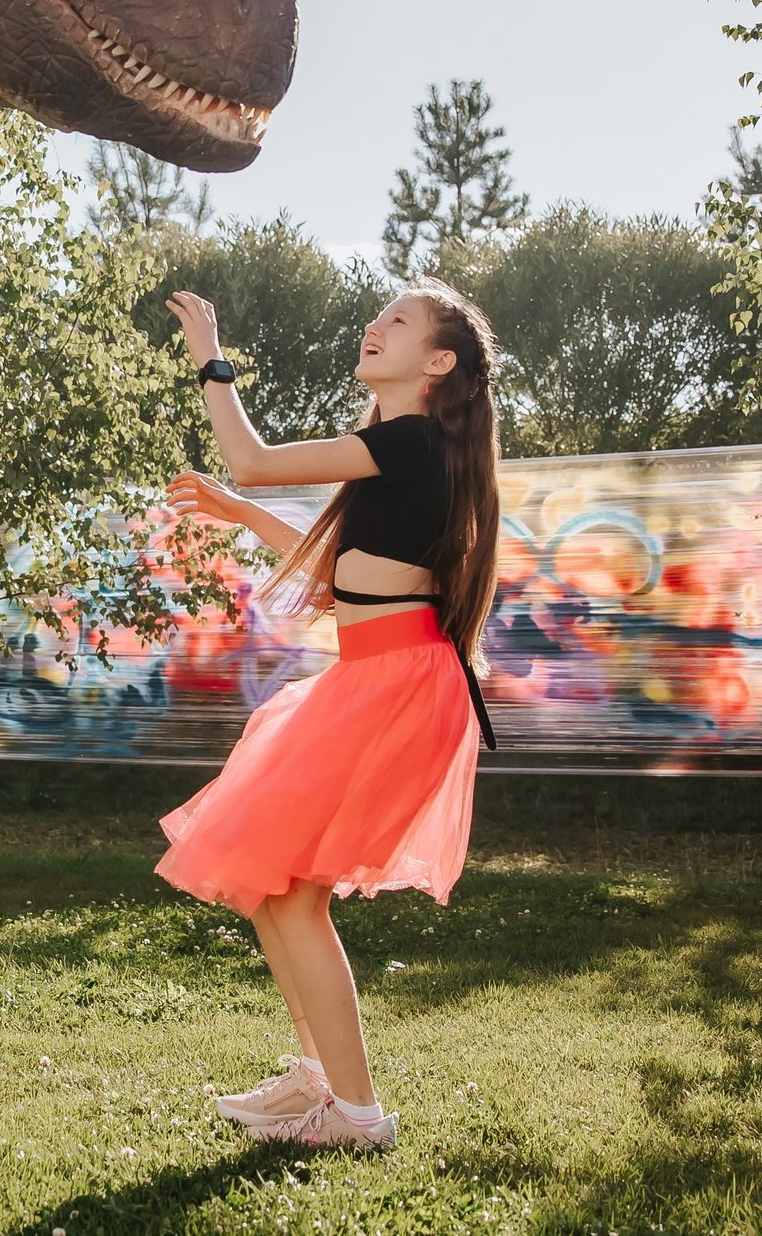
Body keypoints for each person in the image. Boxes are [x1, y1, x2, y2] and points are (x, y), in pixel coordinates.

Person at [153, 280, 504, 1152]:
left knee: (295, 895)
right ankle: (320, 1083)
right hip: (375, 679)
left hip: (397, 690)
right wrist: (243, 516)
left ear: (439, 362)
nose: (372, 326)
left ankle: (358, 1116)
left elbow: (252, 456)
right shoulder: (405, 452)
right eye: (378, 314)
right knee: (274, 889)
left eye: (397, 321)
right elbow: (338, 579)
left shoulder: (412, 439)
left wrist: (212, 359)